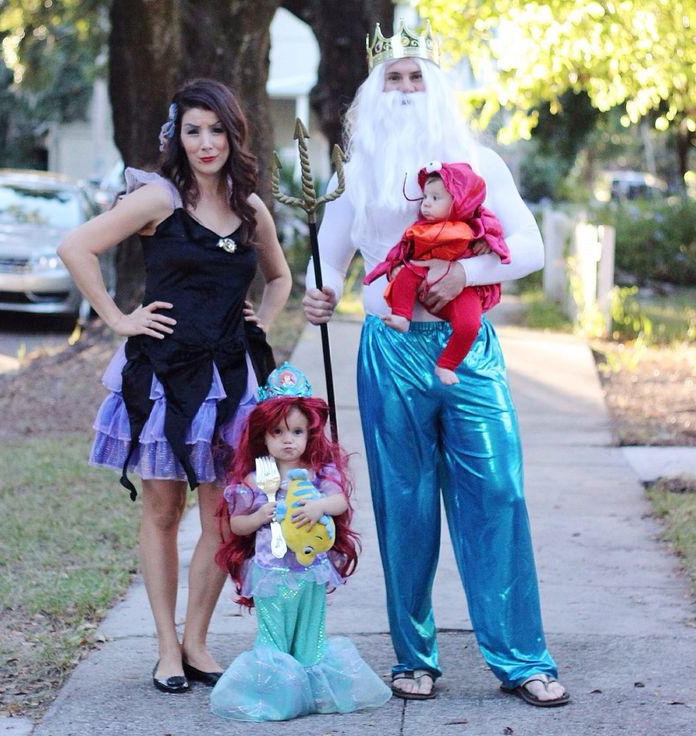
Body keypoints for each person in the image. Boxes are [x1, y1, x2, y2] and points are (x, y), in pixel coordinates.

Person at [302, 20, 569, 706]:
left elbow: (530, 246)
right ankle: (414, 658)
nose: (406, 88)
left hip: (468, 347)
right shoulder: (356, 169)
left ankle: (522, 659)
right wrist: (320, 290)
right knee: (405, 504)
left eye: (417, 76)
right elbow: (332, 254)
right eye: (394, 77)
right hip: (390, 349)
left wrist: (467, 272)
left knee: (498, 493)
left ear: (439, 87)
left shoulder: (479, 163)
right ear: (375, 88)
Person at [57, 78, 291, 694]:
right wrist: (117, 318)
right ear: (176, 136)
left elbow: (280, 279)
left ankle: (196, 641)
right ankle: (165, 648)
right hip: (164, 376)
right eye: (193, 130)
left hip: (229, 380)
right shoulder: (156, 199)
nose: (205, 142)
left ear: (233, 133)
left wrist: (259, 325)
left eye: (216, 129)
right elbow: (76, 246)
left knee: (221, 515)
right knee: (164, 511)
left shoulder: (251, 209)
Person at [210, 362, 391, 721]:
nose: (288, 439)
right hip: (269, 570)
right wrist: (260, 515)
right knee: (274, 633)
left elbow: (338, 501)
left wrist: (318, 504)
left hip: (309, 568)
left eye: (296, 431)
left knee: (310, 634)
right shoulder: (255, 478)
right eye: (278, 432)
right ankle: (275, 694)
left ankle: (310, 688)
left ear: (310, 433)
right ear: (263, 435)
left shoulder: (319, 472)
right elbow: (238, 525)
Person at [364, 160, 510, 384]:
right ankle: (402, 315)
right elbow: (403, 249)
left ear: (458, 200)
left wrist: (488, 244)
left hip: (462, 290)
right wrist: (395, 266)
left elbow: (495, 236)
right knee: (406, 275)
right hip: (424, 276)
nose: (426, 205)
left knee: (470, 324)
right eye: (425, 198)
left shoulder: (475, 225)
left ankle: (447, 364)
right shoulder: (422, 228)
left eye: (435, 198)